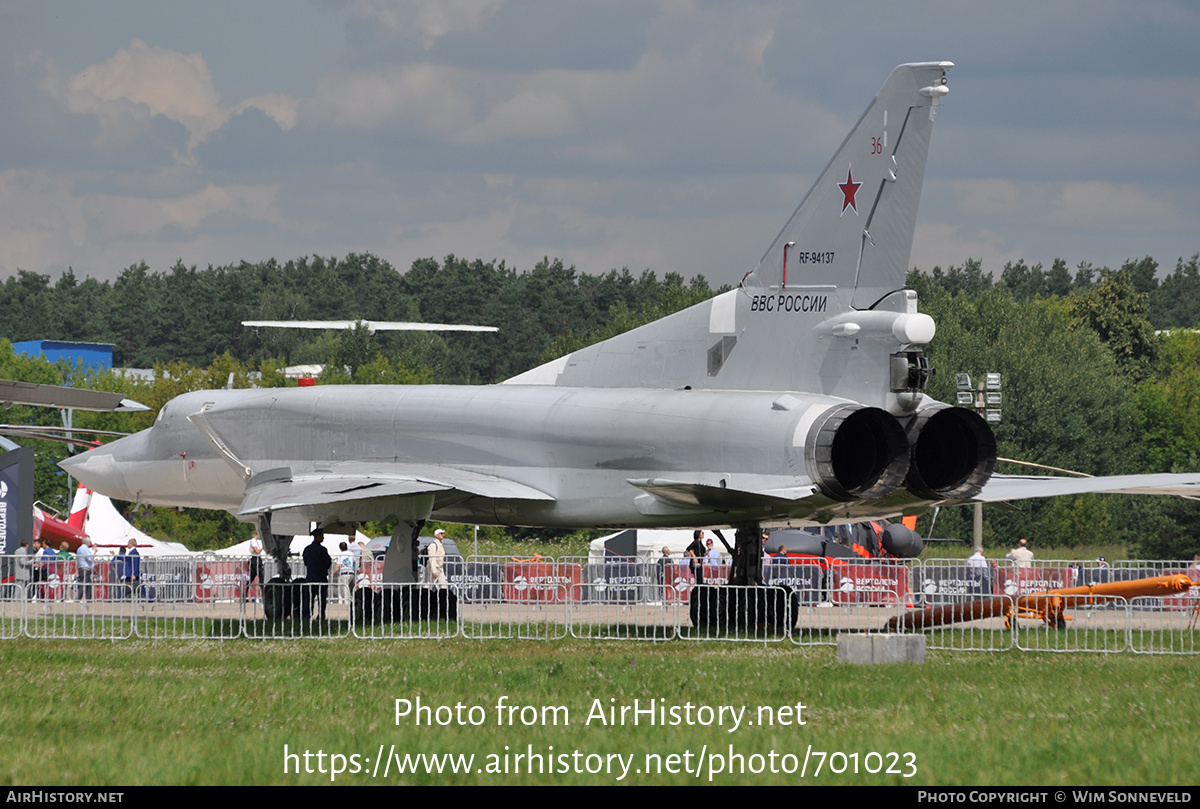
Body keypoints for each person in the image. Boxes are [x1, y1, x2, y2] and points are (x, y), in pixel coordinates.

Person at [302, 529, 332, 619]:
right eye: (322, 535)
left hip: (310, 576)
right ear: (318, 536)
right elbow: (328, 562)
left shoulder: (307, 549)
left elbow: (306, 562)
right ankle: (321, 614)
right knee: (321, 598)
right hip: (321, 576)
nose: (323, 537)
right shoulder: (322, 550)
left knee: (309, 597)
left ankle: (306, 614)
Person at [75, 537, 94, 604]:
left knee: (88, 584)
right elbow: (90, 559)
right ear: (87, 542)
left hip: (82, 568)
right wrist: (94, 552)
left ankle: (89, 599)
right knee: (84, 584)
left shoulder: (80, 549)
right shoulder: (85, 549)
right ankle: (78, 598)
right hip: (85, 568)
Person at [247, 533, 264, 602]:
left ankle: (263, 595)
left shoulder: (256, 541)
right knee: (256, 578)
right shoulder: (253, 541)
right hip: (255, 560)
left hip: (257, 559)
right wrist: (263, 547)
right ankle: (245, 595)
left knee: (259, 578)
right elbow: (257, 551)